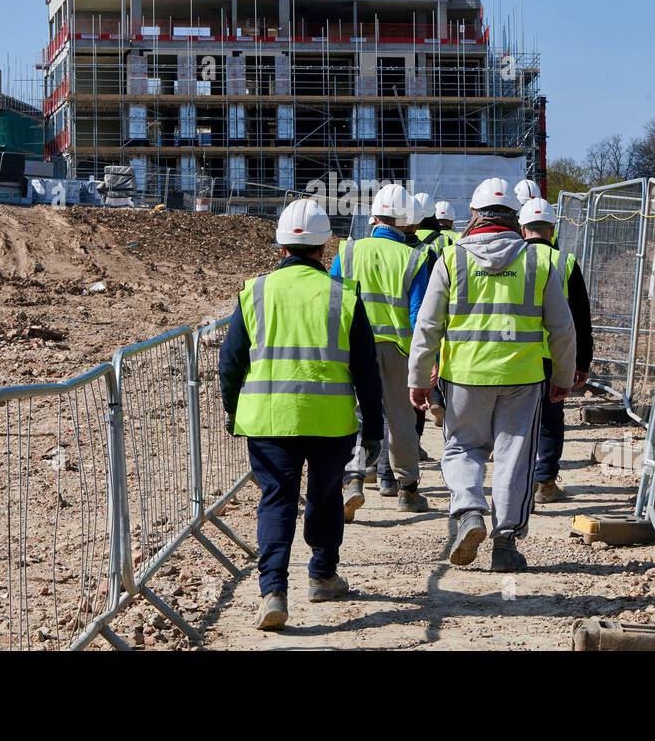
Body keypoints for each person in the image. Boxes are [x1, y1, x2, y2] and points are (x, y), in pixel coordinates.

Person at [219, 198, 383, 631]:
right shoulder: (342, 296)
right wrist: (375, 429)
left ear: (281, 246)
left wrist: (233, 409)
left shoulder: (255, 291)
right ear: (324, 246)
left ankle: (273, 590)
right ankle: (322, 575)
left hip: (270, 421)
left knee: (276, 500)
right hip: (330, 422)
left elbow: (231, 361)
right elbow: (366, 369)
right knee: (325, 497)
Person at [408, 178, 578, 572]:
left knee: (463, 447)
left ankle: (468, 511)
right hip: (523, 375)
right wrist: (563, 377)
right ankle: (505, 544)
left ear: (473, 216)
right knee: (514, 458)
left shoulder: (453, 259)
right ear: (515, 219)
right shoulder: (536, 260)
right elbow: (562, 328)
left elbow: (428, 326)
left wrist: (419, 379)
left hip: (464, 376)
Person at [331, 184, 434, 512]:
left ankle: (354, 478)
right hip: (398, 351)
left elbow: (332, 303)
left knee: (355, 415)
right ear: (405, 222)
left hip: (351, 348)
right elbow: (420, 315)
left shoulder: (347, 252)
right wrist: (427, 358)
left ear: (373, 217)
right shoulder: (413, 257)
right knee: (402, 419)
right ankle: (408, 491)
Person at [518, 197, 593, 502]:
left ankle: (518, 483)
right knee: (551, 419)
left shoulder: (510, 260)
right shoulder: (566, 262)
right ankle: (545, 483)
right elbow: (581, 319)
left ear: (523, 229)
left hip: (518, 356)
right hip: (555, 356)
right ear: (552, 229)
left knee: (517, 421)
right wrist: (582, 362)